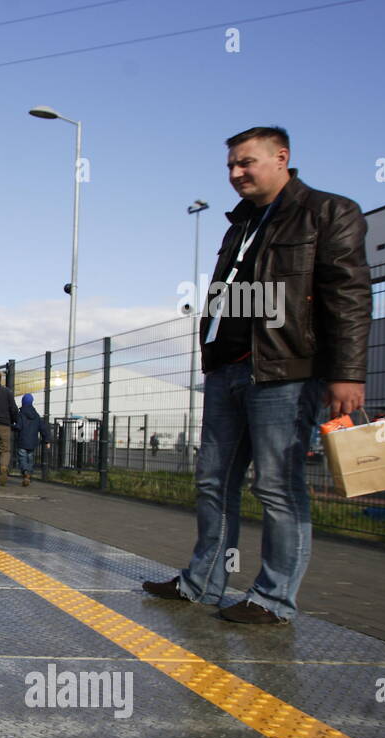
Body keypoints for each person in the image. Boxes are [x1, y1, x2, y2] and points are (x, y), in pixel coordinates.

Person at [144, 126, 370, 626]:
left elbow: (347, 295)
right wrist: (211, 351)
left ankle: (272, 598)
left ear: (281, 158)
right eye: (230, 165)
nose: (235, 173)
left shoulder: (328, 212)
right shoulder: (239, 224)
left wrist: (346, 373)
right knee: (211, 482)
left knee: (276, 487)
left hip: (286, 371)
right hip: (228, 369)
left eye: (246, 162)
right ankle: (202, 583)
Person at [14, 394, 50, 487]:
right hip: (33, 442)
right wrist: (47, 440)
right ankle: (29, 473)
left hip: (22, 440)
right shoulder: (36, 415)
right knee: (30, 458)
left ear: (23, 402)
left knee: (22, 458)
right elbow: (43, 428)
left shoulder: (20, 414)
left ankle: (25, 472)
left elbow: (18, 426)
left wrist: (12, 426)